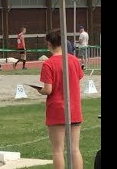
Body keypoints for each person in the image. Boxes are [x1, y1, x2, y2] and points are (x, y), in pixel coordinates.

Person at [33, 29, 84, 169]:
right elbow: (78, 77)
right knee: (75, 149)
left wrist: (39, 90)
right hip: (74, 107)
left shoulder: (48, 63)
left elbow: (48, 89)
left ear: (49, 44)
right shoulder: (74, 60)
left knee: (58, 150)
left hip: (57, 109)